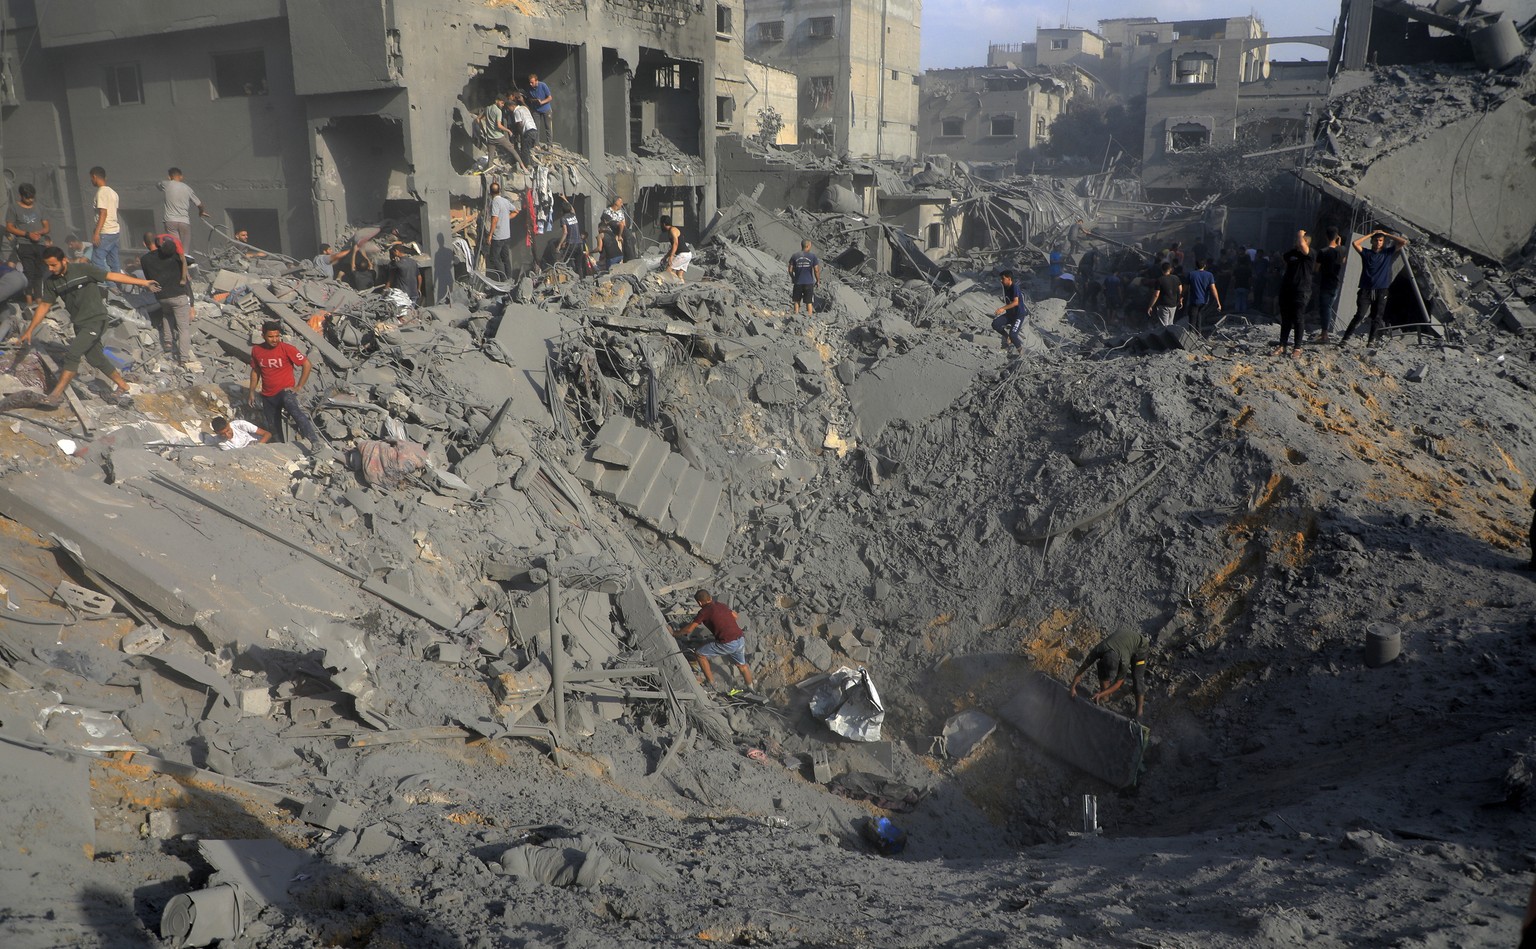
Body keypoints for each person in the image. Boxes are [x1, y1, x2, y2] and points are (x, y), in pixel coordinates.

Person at [17, 247, 159, 408]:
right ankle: (123, 385)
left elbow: (111, 275)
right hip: (80, 324)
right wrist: (29, 330)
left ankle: (55, 395)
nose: (50, 269)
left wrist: (144, 282)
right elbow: (44, 306)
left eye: (53, 265)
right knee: (95, 358)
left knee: (73, 353)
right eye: (47, 266)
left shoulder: (83, 270)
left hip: (96, 320)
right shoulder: (51, 282)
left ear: (64, 260)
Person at [248, 320, 320, 446]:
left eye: (277, 336)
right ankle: (279, 448)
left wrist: (299, 386)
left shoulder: (287, 349)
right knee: (273, 425)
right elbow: (255, 372)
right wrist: (251, 392)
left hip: (285, 392)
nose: (274, 339)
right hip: (268, 395)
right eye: (271, 336)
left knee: (296, 413)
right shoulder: (256, 350)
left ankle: (314, 441)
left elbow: (306, 364)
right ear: (263, 336)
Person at [671, 589, 754, 690]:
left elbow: (689, 629)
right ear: (710, 598)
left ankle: (711, 683)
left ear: (700, 602)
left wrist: (675, 633)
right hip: (740, 639)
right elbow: (735, 616)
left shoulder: (704, 612)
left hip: (727, 643)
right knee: (742, 666)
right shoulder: (721, 605)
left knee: (699, 654)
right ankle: (751, 688)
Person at [138, 232, 198, 370]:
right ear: (158, 242)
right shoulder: (170, 255)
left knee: (167, 315)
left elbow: (148, 279)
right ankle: (183, 359)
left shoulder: (145, 260)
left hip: (161, 297)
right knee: (183, 328)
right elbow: (190, 261)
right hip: (178, 295)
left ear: (144, 244)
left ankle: (168, 343)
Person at [1340, 228, 1409, 348]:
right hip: (1366, 290)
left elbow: (1403, 242)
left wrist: (1387, 234)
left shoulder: (1387, 253)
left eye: (1381, 240)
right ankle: (1345, 339)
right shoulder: (1366, 253)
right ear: (1372, 242)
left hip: (1381, 290)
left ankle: (1371, 341)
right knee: (1360, 315)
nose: (1378, 243)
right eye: (1376, 240)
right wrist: (1371, 234)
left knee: (1377, 317)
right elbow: (1355, 243)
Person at [1070, 627, 1150, 719]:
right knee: (1102, 668)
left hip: (1140, 648)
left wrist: (1100, 693)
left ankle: (1139, 713)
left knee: (1137, 678)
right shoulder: (1099, 650)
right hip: (1121, 641)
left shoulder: (1124, 661)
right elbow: (1082, 669)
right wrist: (1073, 687)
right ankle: (1105, 699)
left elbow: (1118, 683)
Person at [5, 183, 49, 302]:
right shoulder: (13, 208)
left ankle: (39, 298)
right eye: (27, 198)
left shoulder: (40, 207)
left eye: (32, 198)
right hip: (24, 243)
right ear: (21, 196)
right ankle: (29, 299)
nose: (30, 200)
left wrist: (38, 233)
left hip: (40, 243)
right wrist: (27, 234)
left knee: (39, 272)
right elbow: (9, 227)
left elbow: (46, 227)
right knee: (29, 272)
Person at [158, 168, 209, 256]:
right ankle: (185, 265)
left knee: (175, 247)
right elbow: (199, 204)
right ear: (181, 177)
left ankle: (176, 264)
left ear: (169, 177)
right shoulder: (187, 188)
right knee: (185, 251)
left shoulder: (166, 184)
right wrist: (201, 212)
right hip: (184, 221)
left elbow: (158, 184)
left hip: (170, 221)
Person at [1311, 227, 1345, 342]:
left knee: (1325, 309)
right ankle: (1324, 333)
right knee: (1328, 307)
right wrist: (1339, 245)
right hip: (1336, 283)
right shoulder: (1342, 250)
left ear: (1326, 237)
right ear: (1337, 237)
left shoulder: (1323, 251)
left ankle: (1324, 334)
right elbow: (1343, 261)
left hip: (1325, 283)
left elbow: (1316, 268)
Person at [88, 166, 122, 272]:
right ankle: (117, 285)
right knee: (114, 261)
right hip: (115, 231)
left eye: (91, 178)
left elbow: (103, 213)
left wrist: (97, 233)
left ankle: (109, 286)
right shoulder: (113, 193)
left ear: (94, 177)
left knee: (97, 260)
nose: (91, 181)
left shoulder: (101, 192)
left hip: (105, 232)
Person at [484, 181, 519, 281]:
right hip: (506, 235)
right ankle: (509, 278)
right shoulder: (505, 201)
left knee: (494, 258)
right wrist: (506, 218)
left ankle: (503, 279)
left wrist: (490, 235)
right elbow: (516, 211)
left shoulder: (495, 202)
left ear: (490, 193)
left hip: (498, 236)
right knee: (505, 258)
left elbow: (494, 219)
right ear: (499, 191)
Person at [480, 93, 522, 169]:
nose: (503, 105)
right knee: (513, 150)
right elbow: (499, 125)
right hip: (498, 137)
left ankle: (488, 172)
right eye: (502, 103)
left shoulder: (487, 108)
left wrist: (483, 130)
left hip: (490, 138)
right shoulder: (498, 111)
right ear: (497, 101)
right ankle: (523, 167)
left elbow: (478, 119)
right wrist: (508, 130)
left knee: (491, 157)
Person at [991, 269, 1026, 354]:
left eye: (1003, 278)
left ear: (1009, 279)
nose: (1001, 280)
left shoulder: (1014, 287)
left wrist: (1002, 308)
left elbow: (1016, 302)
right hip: (1010, 315)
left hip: (1018, 315)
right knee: (995, 324)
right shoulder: (1005, 288)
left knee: (1013, 335)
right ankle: (1007, 337)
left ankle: (1022, 353)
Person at [1186, 258, 1221, 332]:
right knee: (1199, 315)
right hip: (1204, 301)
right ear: (1205, 265)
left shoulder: (1191, 274)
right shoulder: (1209, 275)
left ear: (1195, 265)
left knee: (1192, 319)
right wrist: (1218, 302)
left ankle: (1191, 335)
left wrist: (1181, 297)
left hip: (1194, 300)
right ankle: (1198, 334)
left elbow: (1185, 288)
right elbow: (1213, 289)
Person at [787, 239, 820, 316]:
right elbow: (816, 270)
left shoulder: (795, 256)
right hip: (808, 283)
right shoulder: (812, 256)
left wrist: (793, 277)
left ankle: (796, 316)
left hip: (798, 282)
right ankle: (809, 317)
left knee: (796, 300)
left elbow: (790, 269)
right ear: (808, 246)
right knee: (809, 302)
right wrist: (818, 280)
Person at [1147, 260, 1182, 327]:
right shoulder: (1176, 278)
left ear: (1162, 270)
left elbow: (1156, 294)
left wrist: (1150, 306)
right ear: (1170, 269)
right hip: (1173, 305)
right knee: (1170, 324)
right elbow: (1180, 290)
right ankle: (1170, 336)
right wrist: (1180, 300)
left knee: (1164, 326)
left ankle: (1165, 336)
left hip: (1163, 305)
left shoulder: (1159, 280)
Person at [510, 93, 538, 168]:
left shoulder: (516, 111)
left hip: (527, 131)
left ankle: (526, 167)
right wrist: (522, 101)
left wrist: (520, 135)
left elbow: (519, 124)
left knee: (524, 150)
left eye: (509, 108)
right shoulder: (524, 107)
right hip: (534, 130)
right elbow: (528, 108)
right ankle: (531, 165)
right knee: (528, 149)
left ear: (511, 106)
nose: (510, 110)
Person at [658, 215, 691, 279]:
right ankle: (682, 286)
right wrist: (666, 257)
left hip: (683, 254)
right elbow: (673, 247)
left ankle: (676, 281)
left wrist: (671, 257)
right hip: (688, 254)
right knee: (680, 275)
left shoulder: (672, 230)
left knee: (668, 271)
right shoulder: (672, 230)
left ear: (664, 224)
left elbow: (675, 244)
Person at [525, 73, 553, 146]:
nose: (531, 84)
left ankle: (549, 144)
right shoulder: (529, 88)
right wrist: (534, 100)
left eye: (532, 82)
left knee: (548, 127)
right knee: (535, 127)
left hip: (546, 109)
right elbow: (529, 98)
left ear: (536, 81)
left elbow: (550, 97)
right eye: (530, 82)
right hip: (536, 109)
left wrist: (542, 102)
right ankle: (536, 144)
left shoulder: (543, 85)